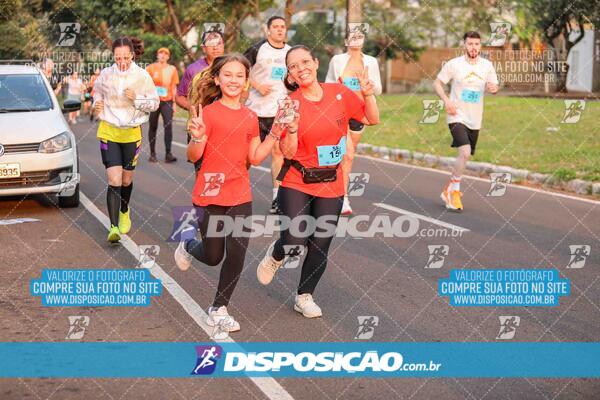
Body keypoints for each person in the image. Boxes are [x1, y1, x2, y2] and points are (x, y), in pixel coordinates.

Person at [256, 45, 379, 318]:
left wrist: (368, 93)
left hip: (331, 181)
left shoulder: (340, 93)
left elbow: (372, 118)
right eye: (293, 66)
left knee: (320, 242)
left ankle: (304, 296)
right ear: (289, 74)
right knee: (294, 238)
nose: (301, 68)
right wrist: (293, 128)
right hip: (297, 178)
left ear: (315, 62)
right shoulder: (290, 104)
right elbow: (286, 152)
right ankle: (276, 255)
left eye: (305, 62)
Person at [174, 53, 282, 333]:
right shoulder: (206, 114)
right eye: (228, 75)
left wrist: (275, 133)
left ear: (247, 82)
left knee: (237, 252)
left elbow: (255, 158)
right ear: (217, 79)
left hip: (239, 193)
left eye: (240, 76)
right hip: (209, 193)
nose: (234, 80)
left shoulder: (250, 116)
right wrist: (197, 135)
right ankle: (187, 245)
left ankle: (218, 308)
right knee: (213, 256)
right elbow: (193, 154)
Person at [92, 37, 159, 243]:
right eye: (117, 57)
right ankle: (113, 227)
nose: (121, 61)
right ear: (113, 56)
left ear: (132, 54)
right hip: (109, 131)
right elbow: (97, 92)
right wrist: (97, 103)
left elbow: (155, 103)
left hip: (131, 133)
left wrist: (137, 98)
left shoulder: (142, 76)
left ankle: (124, 209)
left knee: (126, 180)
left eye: (125, 57)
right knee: (113, 179)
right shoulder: (106, 74)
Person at [433, 31, 499, 212]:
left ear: (480, 46)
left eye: (477, 44)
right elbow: (437, 83)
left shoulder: (487, 65)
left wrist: (493, 88)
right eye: (470, 44)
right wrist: (446, 101)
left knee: (465, 155)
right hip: (456, 115)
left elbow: (493, 86)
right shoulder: (455, 64)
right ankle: (454, 191)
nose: (473, 47)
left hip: (475, 118)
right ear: (464, 45)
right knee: (465, 152)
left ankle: (448, 188)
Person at [326, 26, 382, 215]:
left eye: (360, 36)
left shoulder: (371, 62)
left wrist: (370, 87)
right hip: (340, 112)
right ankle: (343, 198)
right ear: (346, 41)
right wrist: (339, 85)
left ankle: (334, 186)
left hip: (360, 113)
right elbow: (328, 85)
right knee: (347, 154)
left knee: (348, 156)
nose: (356, 39)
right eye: (353, 36)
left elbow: (379, 89)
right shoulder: (337, 60)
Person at [243, 16, 291, 214]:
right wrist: (257, 86)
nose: (279, 30)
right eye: (275, 27)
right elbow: (241, 69)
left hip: (279, 111)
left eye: (282, 27)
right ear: (268, 30)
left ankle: (276, 197)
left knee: (278, 153)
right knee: (248, 156)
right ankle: (238, 193)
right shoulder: (257, 49)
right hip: (255, 110)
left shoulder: (290, 52)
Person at [177, 30, 225, 171]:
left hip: (224, 127)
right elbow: (179, 96)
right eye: (211, 44)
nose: (215, 47)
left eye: (219, 43)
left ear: (223, 45)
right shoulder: (193, 70)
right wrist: (193, 107)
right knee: (201, 169)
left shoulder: (231, 67)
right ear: (203, 48)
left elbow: (244, 91)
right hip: (199, 127)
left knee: (223, 170)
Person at [146, 47, 180, 163]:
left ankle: (168, 154)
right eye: (161, 53)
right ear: (157, 55)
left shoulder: (172, 69)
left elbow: (174, 87)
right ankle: (152, 154)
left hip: (168, 101)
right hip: (154, 101)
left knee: (168, 126)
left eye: (165, 54)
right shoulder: (150, 68)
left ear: (168, 57)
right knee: (153, 126)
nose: (163, 55)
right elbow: (145, 83)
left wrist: (174, 103)